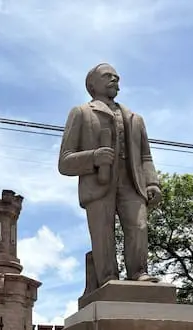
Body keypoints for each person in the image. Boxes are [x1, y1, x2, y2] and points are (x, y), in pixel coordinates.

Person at [58, 63, 163, 294]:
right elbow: (65, 162)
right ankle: (107, 278)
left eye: (117, 76)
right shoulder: (81, 113)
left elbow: (146, 155)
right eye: (108, 76)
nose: (115, 79)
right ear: (92, 85)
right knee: (102, 234)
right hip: (99, 184)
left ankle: (139, 272)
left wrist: (152, 182)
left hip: (132, 183)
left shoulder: (135, 118)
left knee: (139, 226)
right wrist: (94, 157)